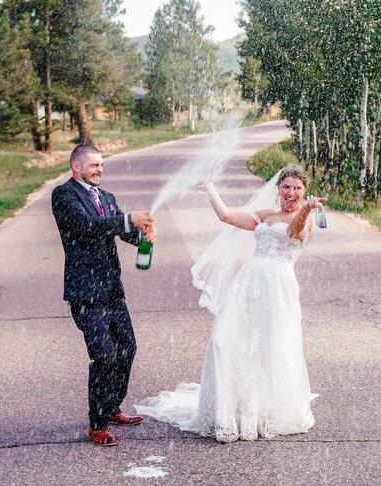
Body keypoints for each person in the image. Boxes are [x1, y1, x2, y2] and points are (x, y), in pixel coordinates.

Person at [135, 164, 322, 442]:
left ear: (304, 192)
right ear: (278, 189)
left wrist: (307, 208)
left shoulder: (306, 218)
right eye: (286, 187)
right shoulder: (264, 215)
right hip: (247, 286)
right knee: (225, 341)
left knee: (269, 347)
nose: (291, 192)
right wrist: (210, 189)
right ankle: (228, 409)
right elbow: (226, 216)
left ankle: (262, 411)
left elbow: (293, 232)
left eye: (297, 188)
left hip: (277, 291)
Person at [52, 144, 157, 446]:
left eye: (102, 165)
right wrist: (128, 220)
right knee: (104, 356)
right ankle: (97, 424)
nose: (100, 170)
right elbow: (87, 227)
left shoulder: (107, 198)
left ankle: (111, 407)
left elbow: (124, 231)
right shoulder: (64, 195)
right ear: (76, 167)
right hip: (86, 292)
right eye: (94, 165)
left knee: (127, 347)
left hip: (111, 289)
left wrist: (143, 235)